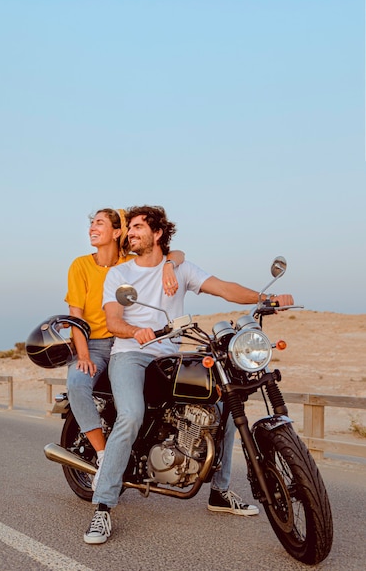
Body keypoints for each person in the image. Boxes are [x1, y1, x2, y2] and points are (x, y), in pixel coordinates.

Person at [85, 205, 294, 544]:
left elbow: (224, 288)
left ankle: (220, 491)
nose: (131, 233)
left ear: (157, 234)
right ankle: (103, 507)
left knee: (225, 406)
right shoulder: (120, 275)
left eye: (138, 227)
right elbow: (112, 321)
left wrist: (266, 298)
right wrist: (134, 331)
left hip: (171, 355)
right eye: (130, 228)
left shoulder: (179, 268)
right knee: (131, 416)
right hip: (132, 354)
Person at [65, 207, 185, 490]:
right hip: (94, 343)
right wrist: (82, 355)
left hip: (127, 342)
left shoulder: (130, 261)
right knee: (77, 383)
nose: (92, 228)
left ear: (116, 232)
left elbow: (175, 255)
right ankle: (104, 453)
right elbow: (75, 316)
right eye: (91, 223)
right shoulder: (80, 265)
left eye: (99, 223)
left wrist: (169, 265)